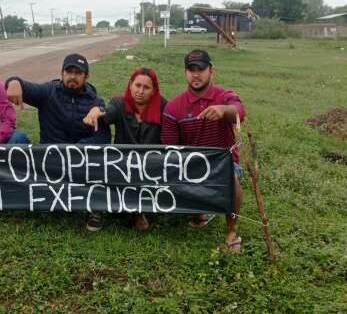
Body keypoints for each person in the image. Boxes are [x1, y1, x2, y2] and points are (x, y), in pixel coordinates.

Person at [5, 53, 111, 231]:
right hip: (50, 158)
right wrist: (13, 82)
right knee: (19, 143)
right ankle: (18, 196)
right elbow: (23, 86)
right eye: (69, 72)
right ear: (62, 73)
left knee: (101, 159)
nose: (72, 76)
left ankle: (95, 209)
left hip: (80, 161)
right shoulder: (48, 92)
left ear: (86, 76)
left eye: (78, 73)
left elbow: (103, 137)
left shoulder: (95, 103)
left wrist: (76, 150)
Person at [160, 49, 246, 247]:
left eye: (201, 69)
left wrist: (224, 110)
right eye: (191, 69)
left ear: (211, 71)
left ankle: (232, 231)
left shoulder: (224, 96)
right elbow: (170, 148)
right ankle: (200, 210)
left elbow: (240, 111)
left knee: (232, 181)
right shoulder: (173, 107)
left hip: (223, 163)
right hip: (191, 163)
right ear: (185, 73)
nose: (196, 74)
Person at [83, 66, 166, 231]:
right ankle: (97, 210)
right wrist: (96, 110)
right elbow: (108, 112)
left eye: (146, 87)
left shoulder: (163, 106)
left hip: (150, 165)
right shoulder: (119, 103)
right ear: (130, 85)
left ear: (154, 90)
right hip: (122, 163)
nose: (140, 91)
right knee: (100, 165)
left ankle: (139, 211)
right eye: (137, 85)